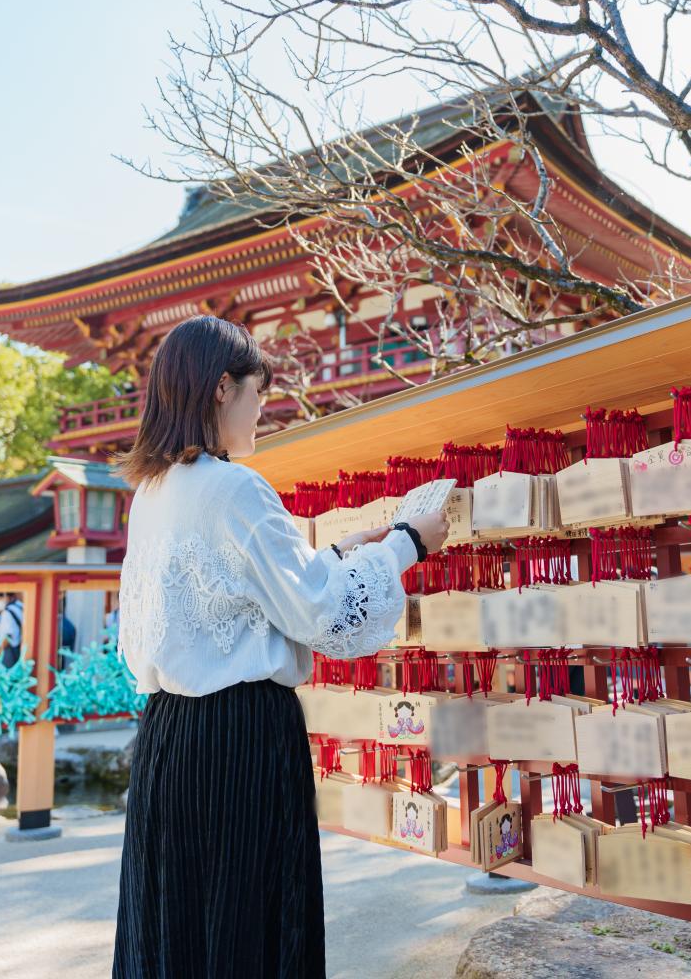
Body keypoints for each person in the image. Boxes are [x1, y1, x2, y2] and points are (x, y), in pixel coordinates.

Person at [111, 315, 446, 978]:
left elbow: (248, 595)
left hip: (169, 735)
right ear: (220, 388)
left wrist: (343, 552)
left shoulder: (150, 492)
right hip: (240, 733)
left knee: (176, 917)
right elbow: (317, 612)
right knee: (249, 917)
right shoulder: (235, 487)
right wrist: (409, 542)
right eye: (258, 391)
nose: (263, 408)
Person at [0, 595, 24, 668]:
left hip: (8, 650)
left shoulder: (7, 612)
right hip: (18, 648)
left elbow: (7, 636)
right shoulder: (20, 606)